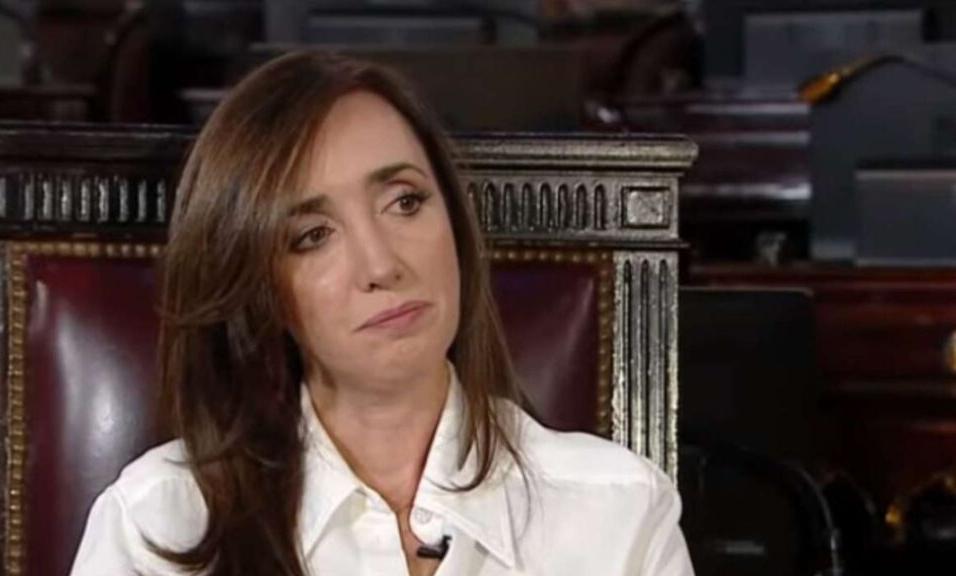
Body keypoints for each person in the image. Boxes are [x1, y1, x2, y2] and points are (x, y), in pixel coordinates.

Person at [70, 50, 695, 576]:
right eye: (313, 236)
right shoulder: (155, 526)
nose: (381, 265)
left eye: (405, 202)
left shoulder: (620, 514)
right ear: (257, 285)